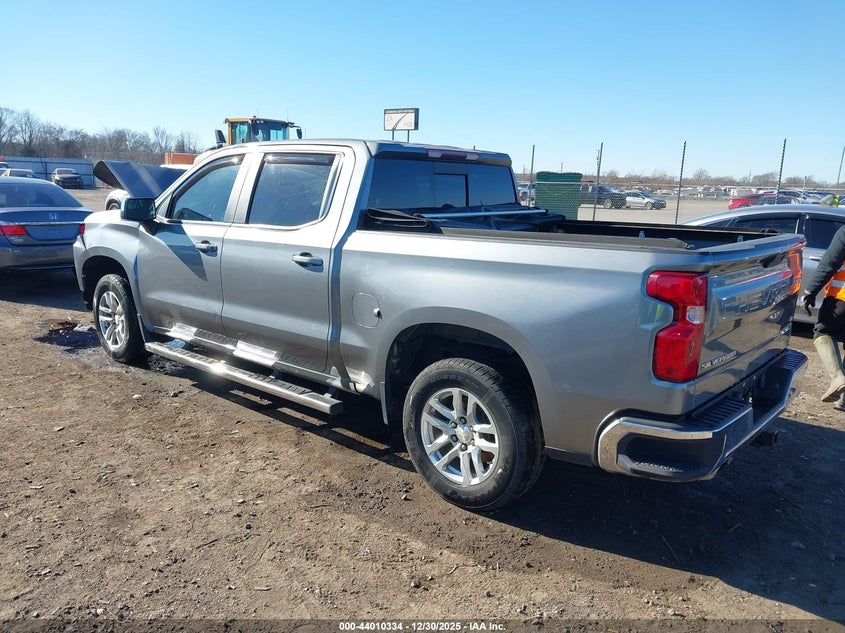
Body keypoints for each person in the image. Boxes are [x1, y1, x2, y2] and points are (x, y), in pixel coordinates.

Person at [803, 224, 845, 402]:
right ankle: (844, 399)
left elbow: (829, 263)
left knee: (823, 332)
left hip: (841, 297)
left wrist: (810, 291)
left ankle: (837, 378)